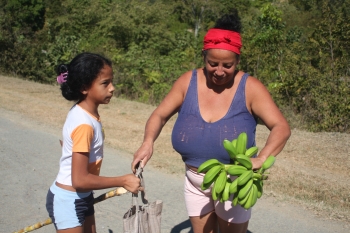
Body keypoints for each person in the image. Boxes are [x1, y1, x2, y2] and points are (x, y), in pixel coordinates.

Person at [131, 9, 291, 233]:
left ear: (238, 60)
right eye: (212, 63)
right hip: (195, 182)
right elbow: (159, 114)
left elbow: (281, 127)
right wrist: (148, 141)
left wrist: (262, 158)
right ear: (204, 56)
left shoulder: (250, 88)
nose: (219, 71)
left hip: (233, 183)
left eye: (228, 66)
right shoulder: (188, 82)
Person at [46, 52, 142, 233]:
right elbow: (80, 180)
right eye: (105, 83)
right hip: (68, 200)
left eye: (111, 81)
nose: (112, 88)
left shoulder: (85, 113)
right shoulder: (84, 124)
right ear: (84, 88)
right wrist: (122, 181)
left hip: (82, 197)